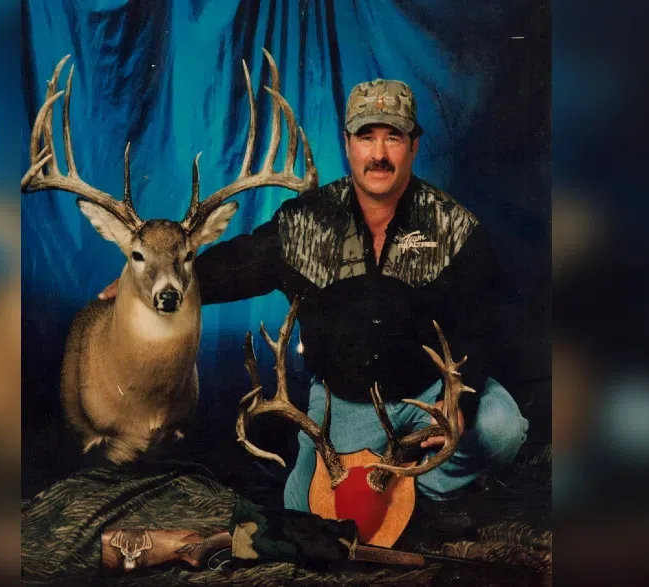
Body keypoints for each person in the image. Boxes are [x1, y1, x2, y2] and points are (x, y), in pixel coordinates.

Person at [98, 79, 529, 511]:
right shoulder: (306, 222)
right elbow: (233, 267)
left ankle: (417, 492)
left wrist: (457, 401)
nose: (379, 154)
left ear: (413, 145)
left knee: (501, 428)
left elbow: (484, 321)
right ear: (348, 144)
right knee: (306, 508)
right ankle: (387, 485)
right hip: (346, 407)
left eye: (394, 137)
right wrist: (147, 284)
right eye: (366, 136)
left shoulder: (453, 227)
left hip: (427, 396)